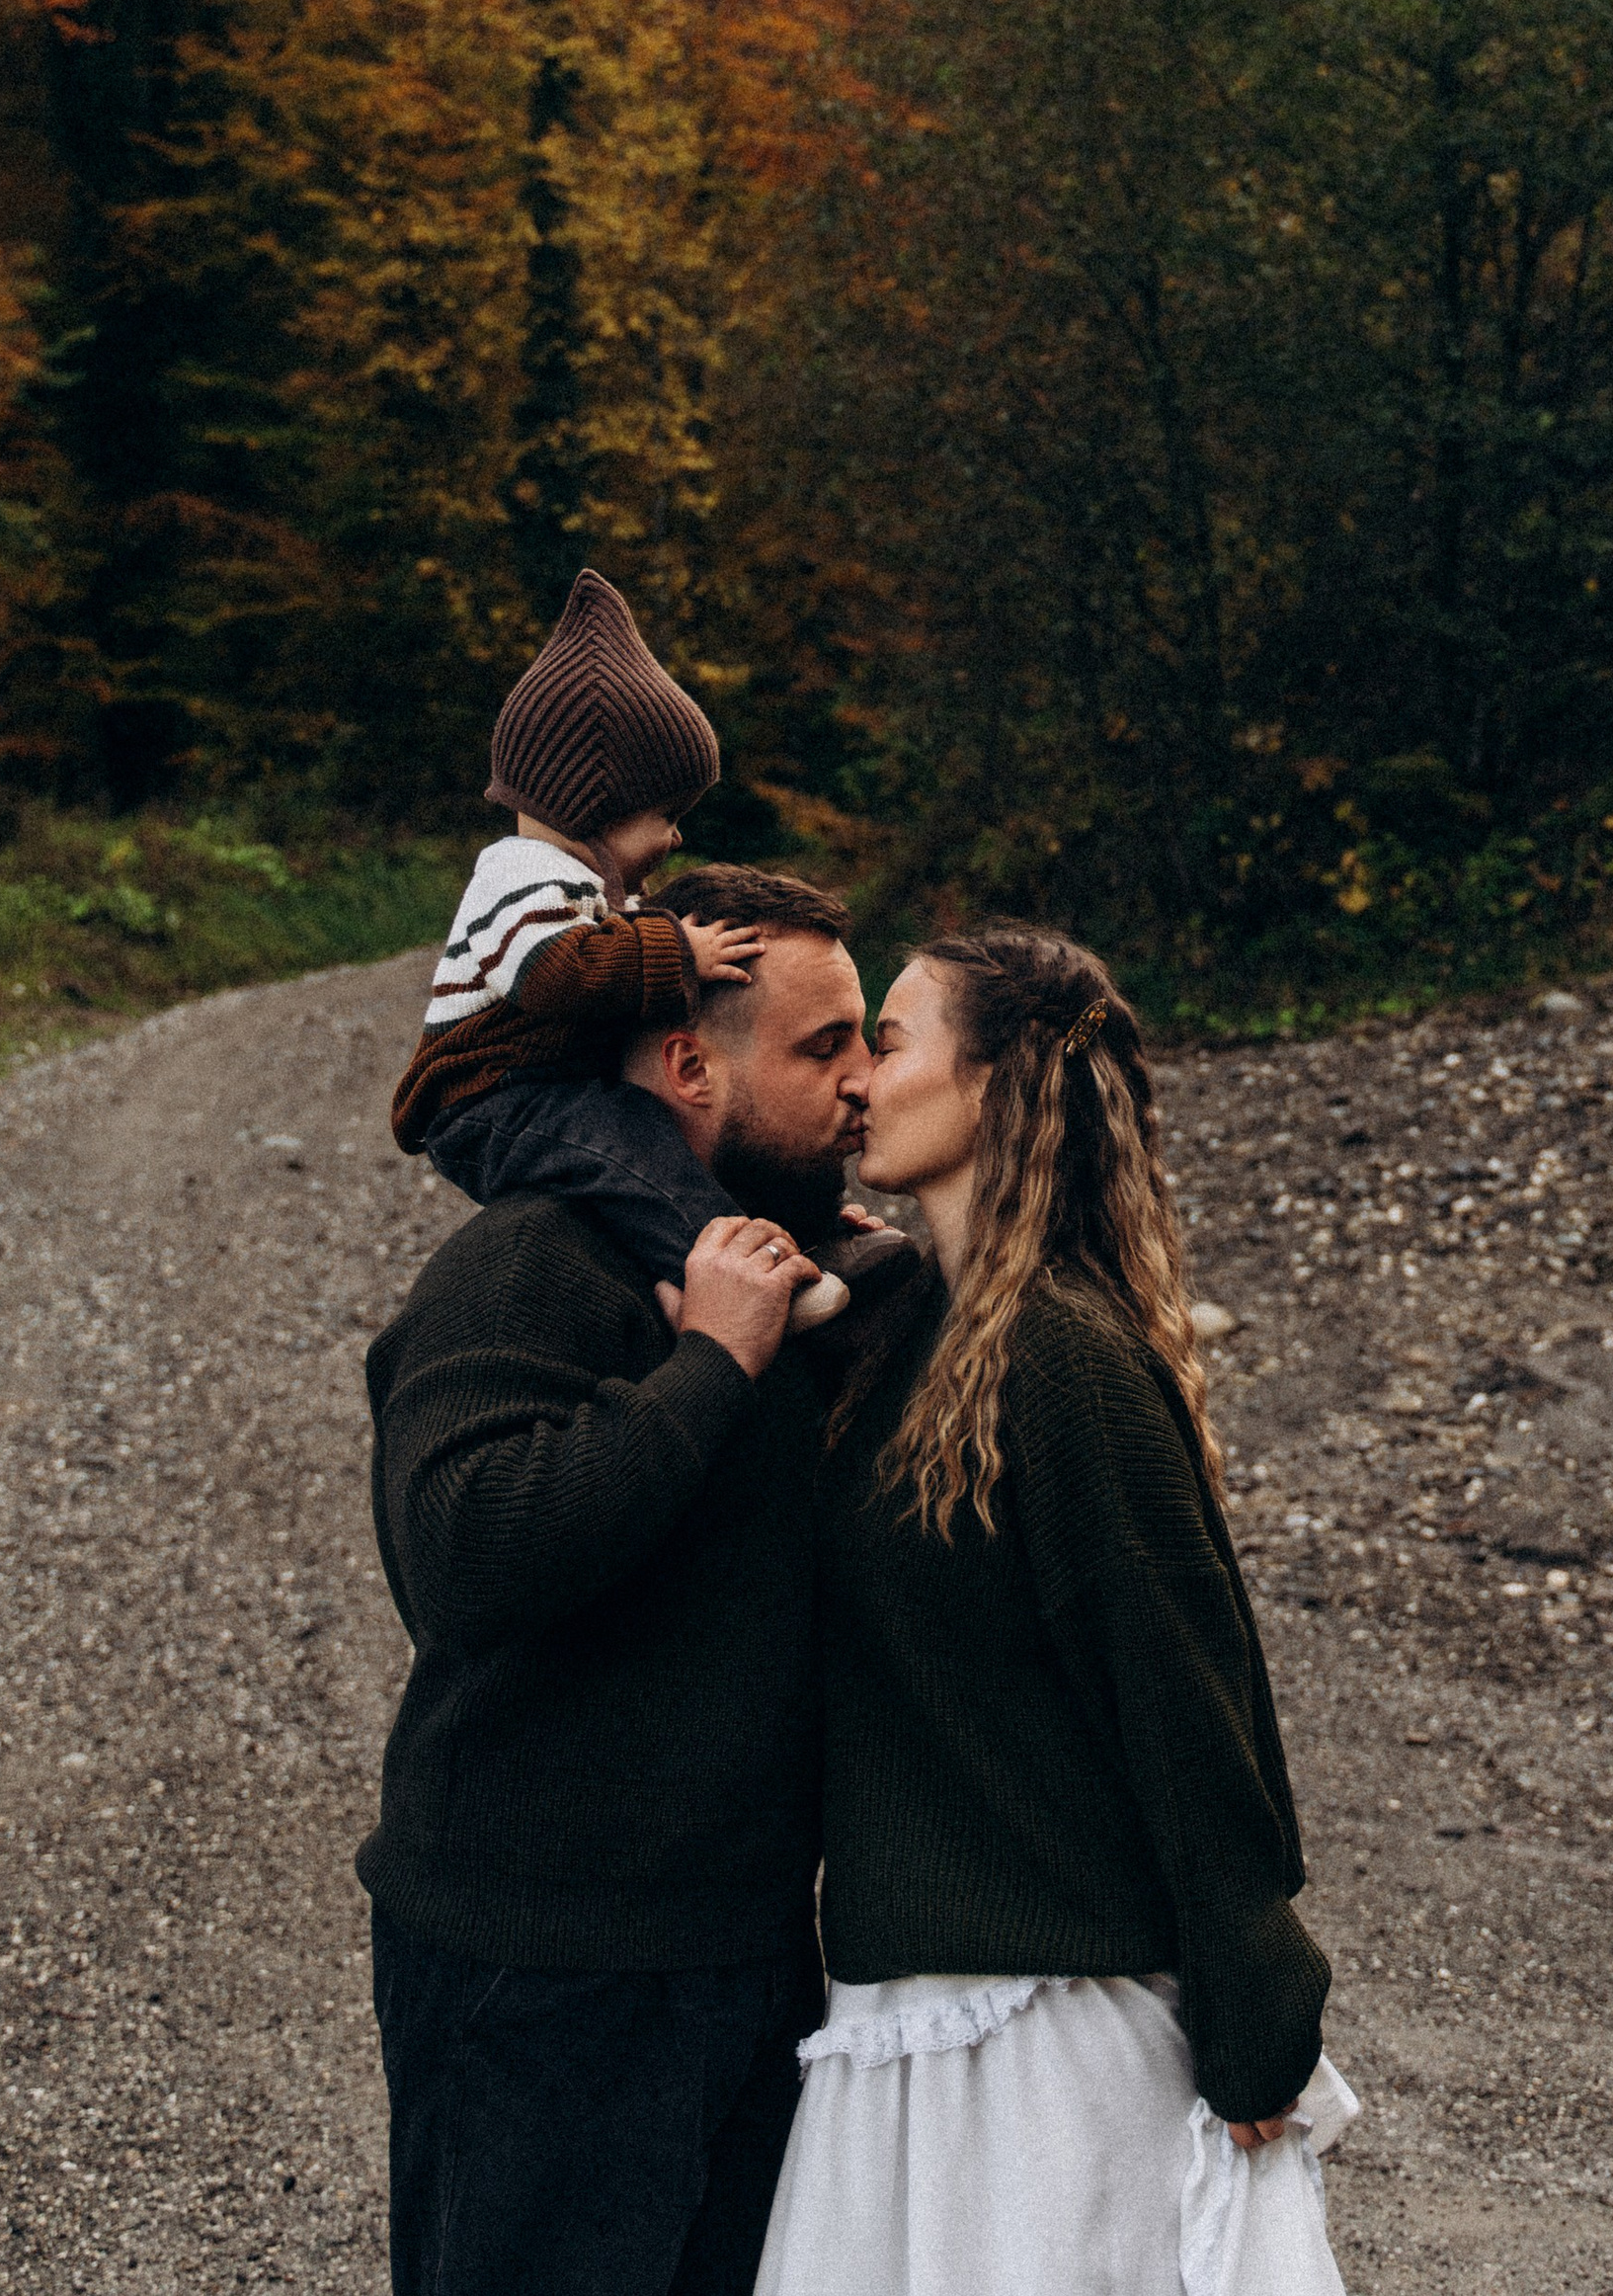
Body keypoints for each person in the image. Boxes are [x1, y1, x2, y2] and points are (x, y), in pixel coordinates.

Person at [755, 921, 1348, 2296]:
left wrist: (1259, 2008)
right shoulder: (913, 1336)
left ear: (994, 1085)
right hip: (904, 2018)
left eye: (887, 1041)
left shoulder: (1066, 1361)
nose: (853, 1078)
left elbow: (1189, 1696)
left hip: (1051, 2041)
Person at [360, 856, 883, 2296]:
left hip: (747, 1958)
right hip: (541, 1969)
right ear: (683, 1064)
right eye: (822, 1044)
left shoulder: (817, 1268)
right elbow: (463, 1549)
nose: (863, 1083)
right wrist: (711, 1361)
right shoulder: (535, 1259)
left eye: (872, 1039)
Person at [390, 566, 863, 1325]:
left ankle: (797, 1239)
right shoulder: (518, 877)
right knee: (626, 1157)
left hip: (538, 1085)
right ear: (593, 804)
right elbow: (552, 977)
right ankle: (738, 1282)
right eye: (667, 813)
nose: (677, 837)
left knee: (664, 1139)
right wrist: (677, 953)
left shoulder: (585, 890)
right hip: (484, 1099)